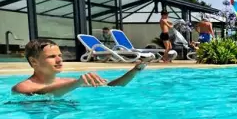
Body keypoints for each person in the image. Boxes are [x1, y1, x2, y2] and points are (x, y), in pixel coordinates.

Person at [12, 39, 146, 97]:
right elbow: (43, 92)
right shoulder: (22, 87)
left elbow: (111, 86)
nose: (59, 60)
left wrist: (134, 71)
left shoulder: (67, 82)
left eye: (59, 55)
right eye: (52, 56)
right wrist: (77, 83)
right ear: (34, 61)